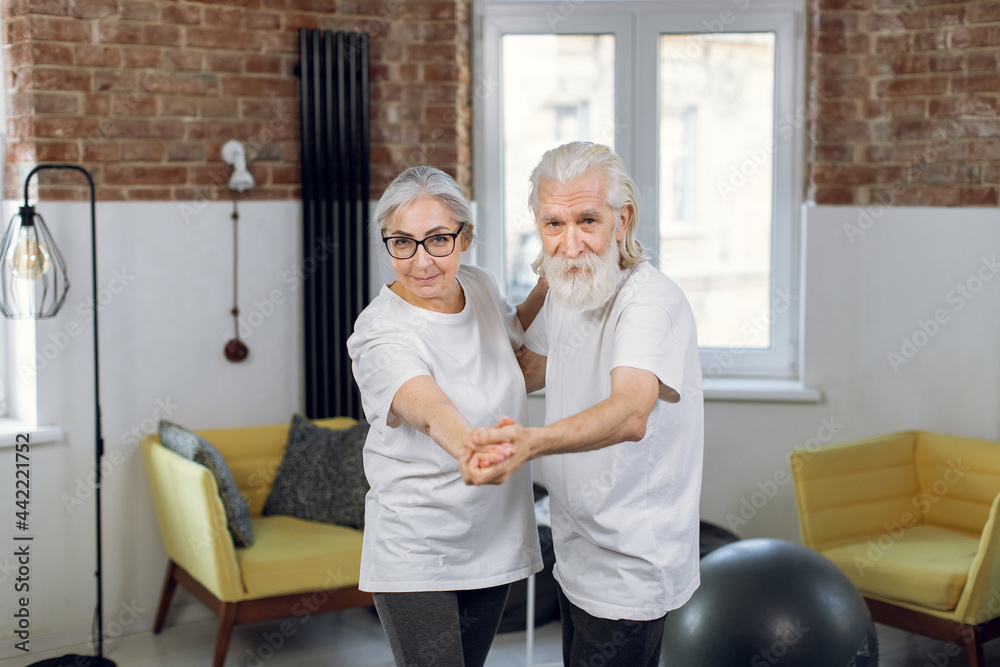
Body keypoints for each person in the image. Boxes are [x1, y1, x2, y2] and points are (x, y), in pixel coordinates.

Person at [463, 141, 704, 667]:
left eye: (587, 220)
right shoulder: (573, 288)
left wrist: (531, 442)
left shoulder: (648, 302)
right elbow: (524, 371)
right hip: (578, 546)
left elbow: (631, 410)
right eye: (553, 224)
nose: (570, 245)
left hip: (631, 562)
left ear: (624, 220)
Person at [347, 165, 546, 667]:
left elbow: (514, 357)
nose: (421, 262)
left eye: (438, 240)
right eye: (402, 243)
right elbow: (432, 409)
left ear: (466, 236)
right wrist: (472, 450)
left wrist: (556, 281)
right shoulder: (379, 332)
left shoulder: (478, 285)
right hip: (418, 540)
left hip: (494, 527)